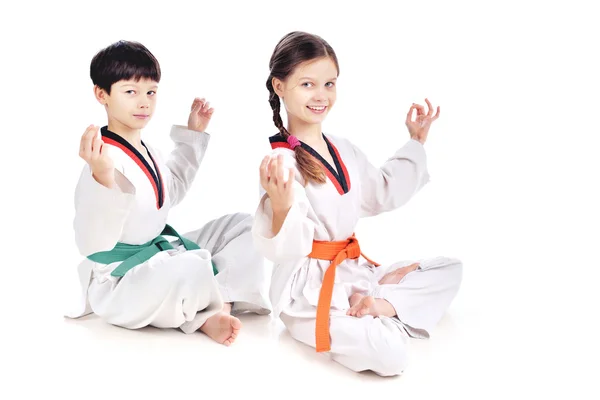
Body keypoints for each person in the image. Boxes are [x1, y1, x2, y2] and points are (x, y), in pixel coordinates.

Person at [251, 31, 463, 375]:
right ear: (279, 86)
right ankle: (387, 312)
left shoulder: (341, 148)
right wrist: (279, 207)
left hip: (353, 271)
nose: (321, 96)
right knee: (389, 355)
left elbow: (380, 190)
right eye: (307, 84)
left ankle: (379, 304)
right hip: (308, 292)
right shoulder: (282, 162)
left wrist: (415, 142)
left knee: (449, 268)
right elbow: (284, 249)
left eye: (329, 84)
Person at [65, 40, 271, 346]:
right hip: (121, 282)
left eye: (151, 91)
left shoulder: (149, 151)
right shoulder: (101, 159)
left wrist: (193, 135)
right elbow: (91, 240)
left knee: (246, 226)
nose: (144, 102)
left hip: (162, 254)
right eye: (130, 92)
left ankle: (220, 301)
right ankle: (203, 316)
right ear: (102, 94)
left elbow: (171, 190)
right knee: (192, 264)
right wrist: (102, 176)